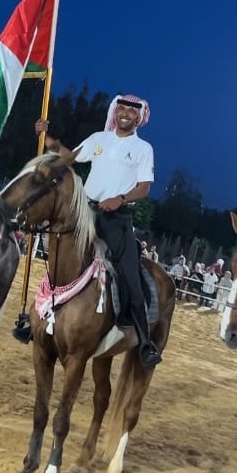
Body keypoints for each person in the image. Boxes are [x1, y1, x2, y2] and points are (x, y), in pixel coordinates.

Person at [34, 94, 160, 369]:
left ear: (139, 117)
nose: (125, 113)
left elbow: (144, 187)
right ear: (115, 111)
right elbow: (69, 158)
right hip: (86, 213)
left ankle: (144, 341)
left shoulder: (143, 148)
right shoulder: (99, 139)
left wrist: (120, 199)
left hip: (116, 219)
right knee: (59, 258)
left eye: (132, 111)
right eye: (122, 108)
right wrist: (47, 138)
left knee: (130, 274)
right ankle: (37, 319)